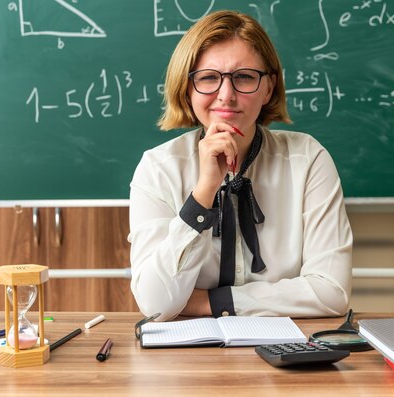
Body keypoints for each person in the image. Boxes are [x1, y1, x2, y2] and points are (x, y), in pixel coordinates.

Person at [128, 10, 352, 322]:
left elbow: (331, 293)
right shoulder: (158, 168)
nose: (226, 95)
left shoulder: (308, 159)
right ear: (188, 88)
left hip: (289, 355)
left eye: (244, 77)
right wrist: (204, 192)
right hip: (184, 362)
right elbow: (155, 304)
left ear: (268, 88)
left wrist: (212, 302)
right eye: (208, 78)